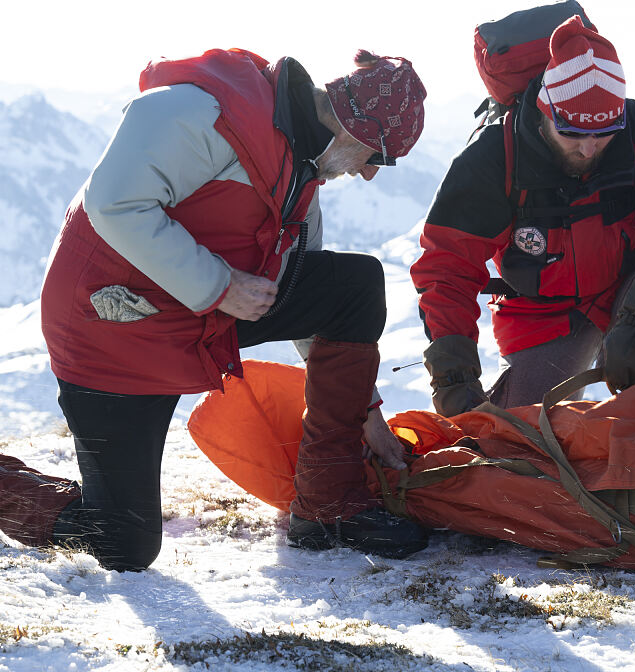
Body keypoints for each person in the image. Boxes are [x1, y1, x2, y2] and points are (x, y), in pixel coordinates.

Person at [0, 47, 428, 571]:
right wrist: (222, 287)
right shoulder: (199, 112)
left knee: (351, 285)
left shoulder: (302, 171)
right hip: (110, 328)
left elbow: (318, 305)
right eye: (378, 158)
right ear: (354, 127)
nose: (369, 176)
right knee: (123, 542)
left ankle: (329, 504)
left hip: (197, 316)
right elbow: (113, 203)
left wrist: (368, 417)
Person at [411, 16, 635, 415]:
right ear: (543, 113)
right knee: (522, 429)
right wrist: (453, 374)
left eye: (603, 134)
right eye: (572, 134)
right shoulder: (492, 158)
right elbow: (447, 267)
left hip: (633, 282)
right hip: (540, 307)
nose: (589, 150)